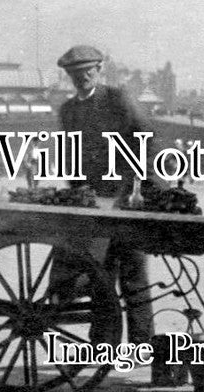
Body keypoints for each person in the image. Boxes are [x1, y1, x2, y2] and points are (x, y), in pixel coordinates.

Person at [55, 44, 156, 346]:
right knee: (99, 275)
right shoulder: (69, 110)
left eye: (87, 71)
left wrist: (139, 184)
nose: (82, 77)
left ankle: (143, 345)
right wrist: (76, 193)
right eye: (75, 74)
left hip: (127, 196)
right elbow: (70, 154)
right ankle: (103, 345)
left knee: (133, 273)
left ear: (99, 70)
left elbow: (145, 138)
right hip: (94, 203)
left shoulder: (117, 99)